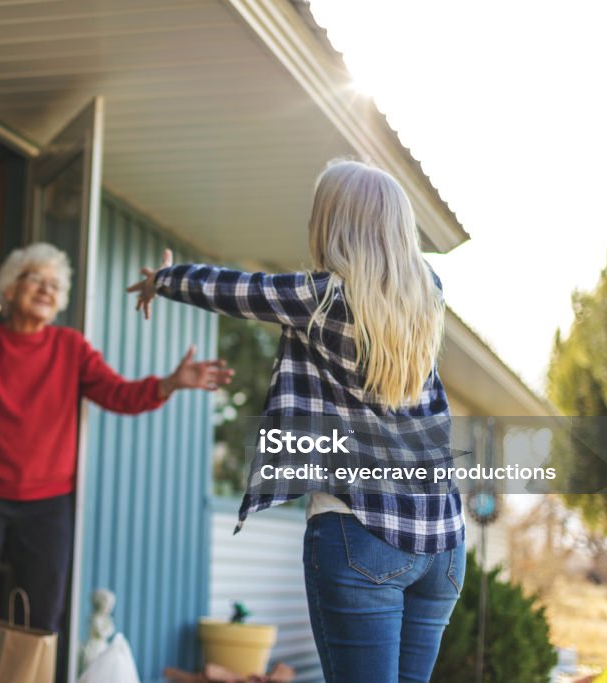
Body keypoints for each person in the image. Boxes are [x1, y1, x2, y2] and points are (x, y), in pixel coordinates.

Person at [128, 160, 465, 683]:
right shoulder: (429, 296)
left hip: (363, 532)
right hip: (442, 544)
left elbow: (235, 290)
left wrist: (165, 279)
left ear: (331, 223)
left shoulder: (321, 297)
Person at [0, 242, 232, 642]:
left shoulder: (69, 347)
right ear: (8, 288)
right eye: (35, 278)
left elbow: (118, 394)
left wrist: (171, 382)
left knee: (41, 617)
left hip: (46, 502)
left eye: (55, 284)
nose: (46, 289)